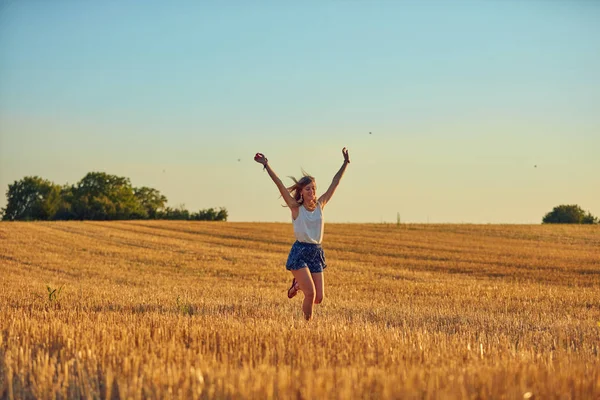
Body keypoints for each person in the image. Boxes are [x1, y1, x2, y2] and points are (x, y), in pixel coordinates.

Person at [254, 148, 350, 320]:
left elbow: (334, 183)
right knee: (311, 294)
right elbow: (280, 185)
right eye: (308, 189)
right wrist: (266, 165)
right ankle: (307, 326)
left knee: (319, 298)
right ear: (301, 192)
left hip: (316, 252)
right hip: (300, 253)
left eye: (313, 188)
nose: (312, 192)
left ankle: (297, 285)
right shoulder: (295, 207)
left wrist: (345, 163)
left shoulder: (321, 204)